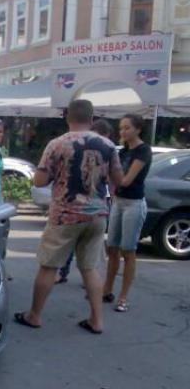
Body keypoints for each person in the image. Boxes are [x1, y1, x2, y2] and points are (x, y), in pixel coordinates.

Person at [14, 100, 123, 335]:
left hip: (65, 215)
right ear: (92, 119)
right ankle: (97, 320)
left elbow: (40, 181)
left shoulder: (57, 144)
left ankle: (34, 315)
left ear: (68, 118)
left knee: (48, 266)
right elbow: (119, 179)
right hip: (97, 216)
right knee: (90, 268)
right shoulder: (109, 145)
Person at [102, 114, 152, 312]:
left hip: (134, 203)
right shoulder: (121, 151)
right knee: (112, 248)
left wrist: (111, 178)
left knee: (128, 251)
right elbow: (110, 177)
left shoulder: (143, 150)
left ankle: (123, 297)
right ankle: (107, 290)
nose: (123, 132)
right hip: (118, 202)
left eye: (127, 128)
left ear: (138, 129)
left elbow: (125, 180)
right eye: (121, 128)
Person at [56, 118, 115, 284]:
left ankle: (82, 277)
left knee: (84, 245)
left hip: (92, 205)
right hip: (92, 206)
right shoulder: (93, 151)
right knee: (87, 246)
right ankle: (86, 278)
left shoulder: (104, 151)